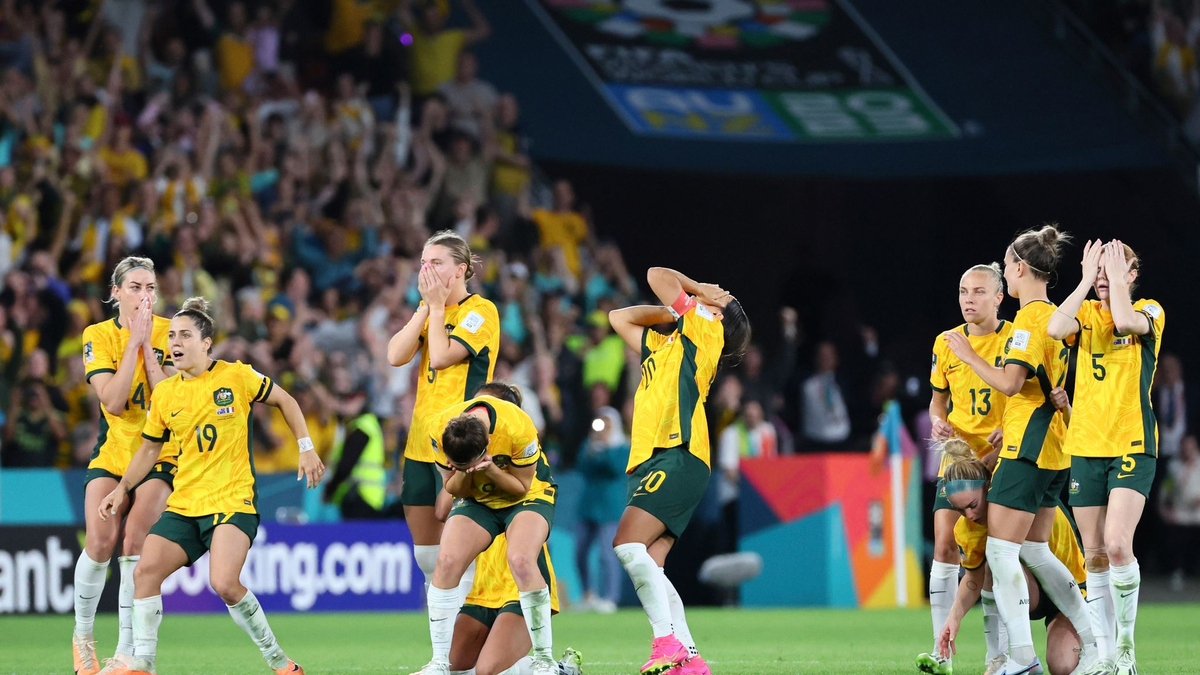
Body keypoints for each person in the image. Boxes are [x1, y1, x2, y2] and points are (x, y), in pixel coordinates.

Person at [96, 297, 324, 675]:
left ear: (206, 343)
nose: (175, 342)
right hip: (185, 504)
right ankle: (143, 664)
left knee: (224, 583)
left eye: (185, 335)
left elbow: (285, 400)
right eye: (171, 336)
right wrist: (121, 489)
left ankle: (279, 662)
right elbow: (149, 449)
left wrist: (306, 447)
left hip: (232, 500)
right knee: (144, 573)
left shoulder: (236, 376)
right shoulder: (165, 393)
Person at [943, 225, 1100, 675]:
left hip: (1027, 447)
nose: (1006, 271)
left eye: (1008, 264)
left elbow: (1011, 382)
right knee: (1035, 551)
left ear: (1018, 268)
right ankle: (1095, 643)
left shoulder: (1030, 319)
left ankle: (1022, 659)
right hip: (1054, 447)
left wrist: (970, 357)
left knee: (999, 552)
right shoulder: (1056, 316)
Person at [607, 266, 751, 675]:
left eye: (722, 294)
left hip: (678, 450)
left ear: (718, 313)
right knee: (650, 565)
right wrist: (670, 312)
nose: (716, 288)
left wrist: (699, 289)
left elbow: (656, 274)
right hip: (656, 456)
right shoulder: (670, 343)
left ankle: (666, 643)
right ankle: (689, 658)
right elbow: (619, 318)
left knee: (626, 545)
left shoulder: (707, 330)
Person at [1046, 239, 1166, 674]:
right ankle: (1104, 654)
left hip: (1132, 441)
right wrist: (1083, 279)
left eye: (1115, 267)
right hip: (1086, 445)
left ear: (1132, 275)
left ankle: (1127, 649)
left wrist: (1115, 279)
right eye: (1099, 268)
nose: (1104, 274)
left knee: (1117, 544)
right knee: (1094, 554)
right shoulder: (1085, 314)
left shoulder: (1149, 311)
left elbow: (1126, 320)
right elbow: (1055, 329)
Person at [72, 257, 176, 675]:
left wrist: (148, 345)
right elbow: (113, 402)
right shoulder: (97, 335)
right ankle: (82, 640)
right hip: (114, 452)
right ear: (116, 293)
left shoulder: (172, 332)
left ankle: (126, 652)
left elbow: (170, 402)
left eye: (150, 288)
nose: (144, 296)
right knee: (100, 542)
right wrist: (133, 343)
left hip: (159, 453)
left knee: (135, 540)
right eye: (135, 287)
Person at [387, 231, 500, 608]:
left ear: (460, 270)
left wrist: (435, 309)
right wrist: (426, 308)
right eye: (423, 263)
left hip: (460, 440)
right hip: (420, 440)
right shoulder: (429, 310)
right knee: (426, 557)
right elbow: (395, 356)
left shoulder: (480, 311)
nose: (426, 270)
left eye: (436, 263)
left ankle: (464, 639)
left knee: (457, 555)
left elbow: (440, 356)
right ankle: (442, 639)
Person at [412, 390, 558, 675]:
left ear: (488, 443)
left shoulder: (518, 426)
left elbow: (521, 487)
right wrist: (464, 473)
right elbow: (452, 490)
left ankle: (545, 660)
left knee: (520, 558)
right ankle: (438, 662)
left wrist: (489, 470)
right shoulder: (437, 429)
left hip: (526, 496)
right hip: (479, 499)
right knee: (446, 561)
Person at [916, 263, 1013, 675]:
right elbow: (938, 400)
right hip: (958, 459)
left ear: (999, 298)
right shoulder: (946, 342)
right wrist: (937, 419)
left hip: (1002, 458)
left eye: (978, 292)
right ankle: (941, 653)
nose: (968, 299)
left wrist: (1010, 430)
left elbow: (1026, 396)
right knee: (944, 546)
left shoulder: (1015, 339)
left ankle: (997, 655)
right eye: (962, 291)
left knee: (993, 555)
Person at [934, 438, 1086, 675]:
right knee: (992, 564)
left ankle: (1094, 641)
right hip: (1032, 591)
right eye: (960, 510)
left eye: (972, 504)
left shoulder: (1021, 505)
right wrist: (954, 618)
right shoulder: (966, 529)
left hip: (1071, 587)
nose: (970, 515)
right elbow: (972, 579)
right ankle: (1005, 657)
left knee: (1062, 666)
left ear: (988, 486)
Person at [575, 405, 629, 613]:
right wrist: (592, 447)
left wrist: (605, 447)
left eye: (607, 424)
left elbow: (617, 468)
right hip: (589, 506)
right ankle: (588, 594)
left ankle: (610, 598)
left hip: (610, 508)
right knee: (580, 552)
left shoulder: (622, 447)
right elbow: (581, 467)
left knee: (607, 555)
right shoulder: (590, 445)